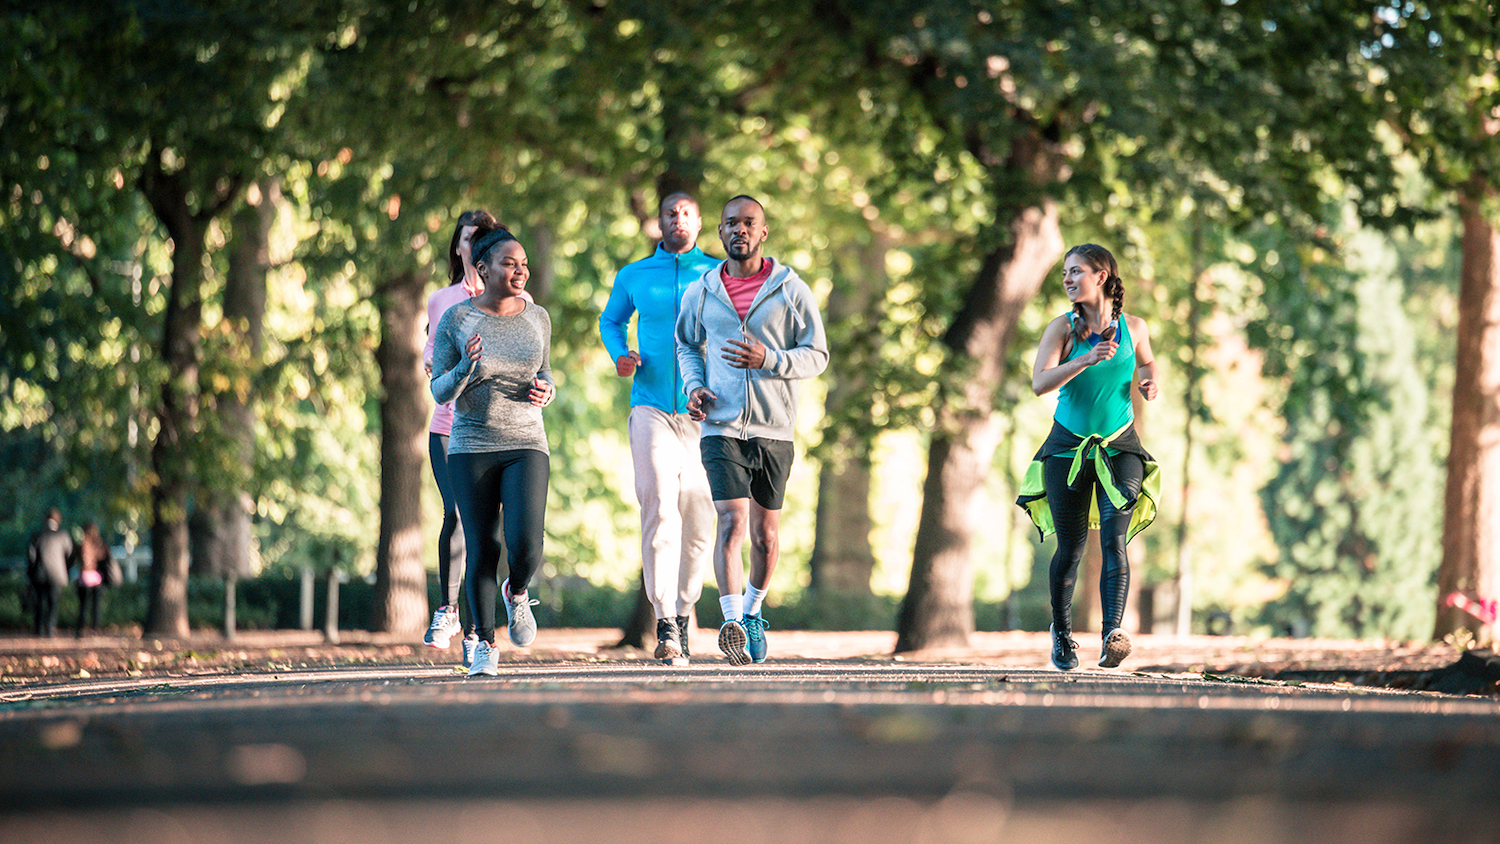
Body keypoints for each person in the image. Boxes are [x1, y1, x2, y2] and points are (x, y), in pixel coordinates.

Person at [675, 195, 828, 665]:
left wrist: (771, 359)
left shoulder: (791, 290)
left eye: (748, 223)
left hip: (774, 429)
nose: (739, 230)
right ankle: (732, 622)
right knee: (731, 522)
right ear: (718, 233)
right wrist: (695, 387)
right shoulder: (700, 291)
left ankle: (754, 609)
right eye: (730, 224)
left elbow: (817, 355)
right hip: (720, 427)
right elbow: (687, 345)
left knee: (766, 536)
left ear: (764, 232)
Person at [1017, 243, 1162, 671]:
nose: (1067, 279)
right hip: (1067, 448)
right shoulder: (1061, 329)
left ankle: (1112, 635)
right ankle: (1061, 636)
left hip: (1121, 447)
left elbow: (1148, 364)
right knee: (1072, 547)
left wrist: (1150, 383)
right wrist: (1084, 360)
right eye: (1064, 272)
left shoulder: (1134, 327)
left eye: (1075, 271)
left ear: (1101, 276)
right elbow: (1040, 383)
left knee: (1115, 542)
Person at [599, 192, 720, 665]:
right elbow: (611, 321)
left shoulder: (714, 274)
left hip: (704, 414)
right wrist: (621, 355)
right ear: (659, 222)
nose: (678, 219)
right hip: (650, 407)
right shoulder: (633, 275)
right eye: (671, 213)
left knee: (698, 516)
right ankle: (665, 620)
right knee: (659, 506)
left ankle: (686, 610)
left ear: (699, 221)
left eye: (687, 213)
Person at [430, 227, 555, 677]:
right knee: (483, 545)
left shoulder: (537, 317)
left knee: (526, 546)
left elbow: (545, 373)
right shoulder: (457, 321)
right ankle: (485, 643)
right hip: (472, 445)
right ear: (482, 270)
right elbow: (440, 390)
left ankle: (517, 591)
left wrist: (548, 390)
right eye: (509, 263)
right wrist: (465, 367)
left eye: (523, 263)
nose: (520, 269)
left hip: (526, 442)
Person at [26, 507, 73, 638]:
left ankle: (39, 630)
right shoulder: (63, 536)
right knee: (53, 603)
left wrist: (29, 573)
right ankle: (50, 629)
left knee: (40, 602)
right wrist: (66, 570)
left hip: (39, 574)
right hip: (57, 574)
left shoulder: (37, 535)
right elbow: (70, 555)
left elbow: (31, 557)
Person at [71, 522, 115, 635]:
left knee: (83, 606)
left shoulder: (82, 545)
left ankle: (81, 628)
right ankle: (94, 628)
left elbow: (74, 559)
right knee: (96, 606)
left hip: (84, 578)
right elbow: (106, 559)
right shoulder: (99, 545)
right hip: (96, 578)